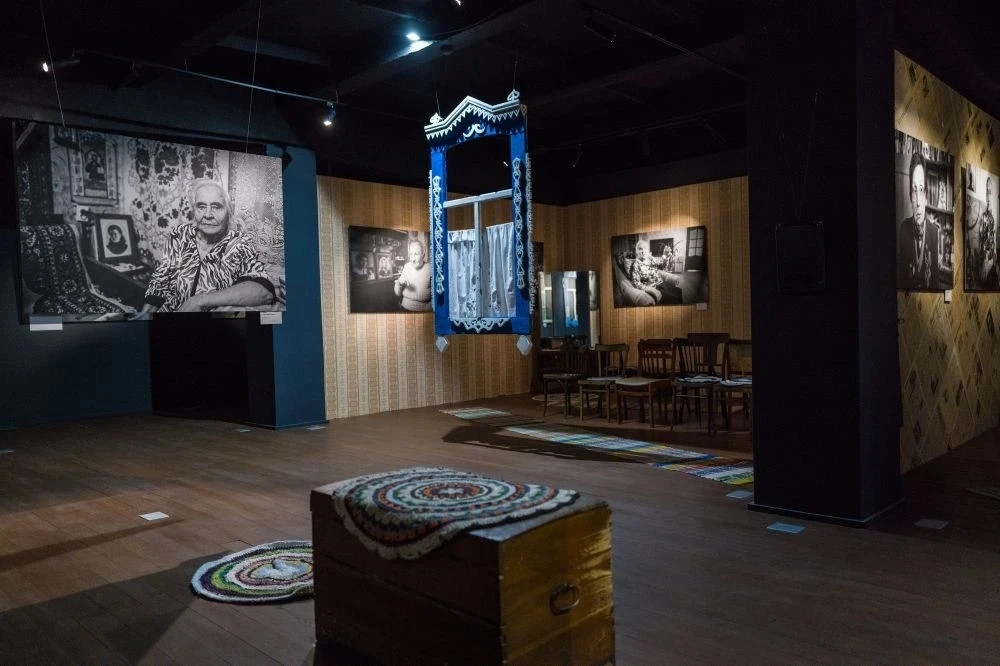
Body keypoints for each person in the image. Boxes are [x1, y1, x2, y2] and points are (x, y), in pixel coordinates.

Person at [141, 180, 275, 313]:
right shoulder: (179, 234)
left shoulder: (240, 244)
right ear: (193, 211)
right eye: (201, 207)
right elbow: (162, 276)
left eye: (216, 207)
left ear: (228, 212)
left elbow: (264, 292)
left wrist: (200, 300)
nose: (208, 215)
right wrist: (146, 313)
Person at [897, 152, 941, 289]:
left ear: (926, 197)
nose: (918, 202)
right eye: (914, 190)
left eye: (921, 190)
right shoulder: (903, 229)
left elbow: (935, 283)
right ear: (910, 197)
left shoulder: (934, 232)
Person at [968, 177, 998, 288]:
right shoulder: (984, 217)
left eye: (990, 193)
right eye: (987, 193)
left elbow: (993, 241)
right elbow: (981, 241)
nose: (988, 197)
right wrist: (983, 261)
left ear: (992, 194)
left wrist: (993, 260)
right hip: (984, 261)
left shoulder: (993, 218)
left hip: (991, 261)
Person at [627, 239, 673, 303]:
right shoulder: (635, 265)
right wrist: (650, 289)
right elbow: (636, 283)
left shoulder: (650, 258)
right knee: (674, 298)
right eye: (640, 249)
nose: (643, 251)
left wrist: (666, 256)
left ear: (647, 250)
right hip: (653, 288)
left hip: (660, 282)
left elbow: (661, 262)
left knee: (678, 291)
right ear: (637, 251)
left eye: (645, 248)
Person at [394, 239, 432, 311]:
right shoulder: (407, 266)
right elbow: (398, 293)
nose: (412, 259)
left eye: (416, 254)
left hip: (423, 311)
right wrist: (398, 285)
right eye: (411, 254)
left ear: (423, 254)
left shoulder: (430, 268)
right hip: (405, 308)